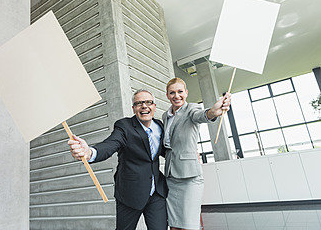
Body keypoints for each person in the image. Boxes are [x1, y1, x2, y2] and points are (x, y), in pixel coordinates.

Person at [68, 89, 168, 230]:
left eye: (148, 102)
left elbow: (166, 151)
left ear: (154, 106)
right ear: (133, 109)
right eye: (139, 103)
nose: (144, 106)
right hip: (130, 194)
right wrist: (89, 152)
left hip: (156, 192)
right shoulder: (124, 127)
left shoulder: (160, 126)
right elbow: (111, 144)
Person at [163, 78, 231, 230]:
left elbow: (201, 115)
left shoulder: (191, 109)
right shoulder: (165, 116)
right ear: (167, 95)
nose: (176, 96)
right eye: (172, 92)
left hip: (190, 178)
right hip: (171, 177)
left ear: (186, 93)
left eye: (180, 91)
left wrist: (213, 112)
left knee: (188, 225)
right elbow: (169, 146)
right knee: (174, 226)